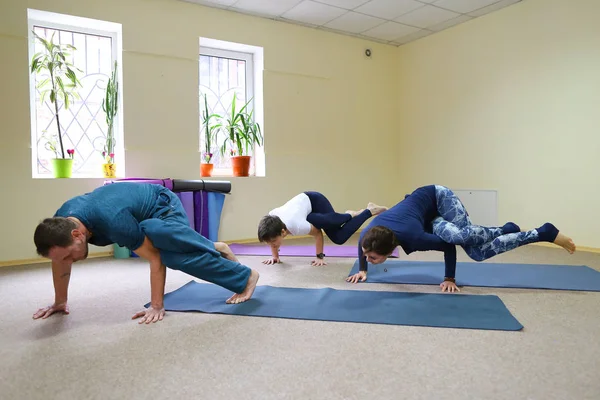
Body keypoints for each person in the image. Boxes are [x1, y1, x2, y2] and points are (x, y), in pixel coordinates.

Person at [32, 182, 260, 324]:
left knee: (167, 250)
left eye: (68, 256)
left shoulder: (114, 222)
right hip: (134, 214)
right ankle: (214, 246)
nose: (68, 261)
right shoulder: (60, 222)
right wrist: (59, 302)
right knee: (151, 233)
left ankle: (245, 276)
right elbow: (59, 261)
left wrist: (157, 305)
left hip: (162, 206)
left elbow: (155, 258)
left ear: (77, 235)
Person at [346, 185, 576, 292]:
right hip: (426, 218)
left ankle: (542, 232)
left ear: (388, 251)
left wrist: (449, 278)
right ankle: (512, 229)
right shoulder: (369, 235)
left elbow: (448, 247)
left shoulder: (415, 238)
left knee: (462, 240)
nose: (366, 257)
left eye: (372, 257)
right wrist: (364, 269)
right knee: (477, 253)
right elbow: (361, 244)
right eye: (367, 255)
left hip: (437, 197)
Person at [257, 191, 387, 266]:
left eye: (274, 242)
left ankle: (364, 211)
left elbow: (318, 234)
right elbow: (271, 240)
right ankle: (350, 214)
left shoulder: (297, 226)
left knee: (338, 235)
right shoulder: (272, 223)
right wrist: (275, 257)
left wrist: (319, 257)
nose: (272, 245)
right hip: (304, 213)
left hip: (314, 201)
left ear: (283, 232)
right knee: (338, 236)